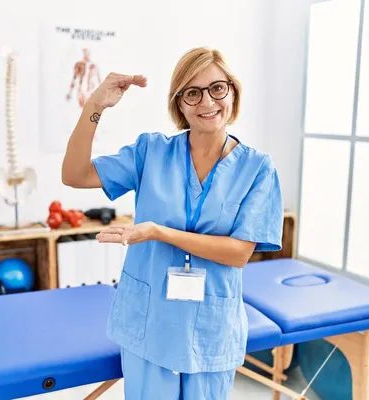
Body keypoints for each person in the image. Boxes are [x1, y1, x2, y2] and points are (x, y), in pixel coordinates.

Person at [61, 47, 284, 399]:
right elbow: (75, 175)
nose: (206, 101)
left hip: (211, 326)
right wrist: (95, 106)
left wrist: (157, 231)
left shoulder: (257, 168)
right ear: (179, 104)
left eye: (217, 88)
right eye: (192, 93)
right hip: (149, 320)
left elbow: (239, 253)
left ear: (232, 92)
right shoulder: (151, 151)